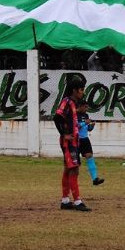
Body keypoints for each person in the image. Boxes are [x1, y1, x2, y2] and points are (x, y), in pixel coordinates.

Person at [53, 77, 90, 212]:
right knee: (74, 169)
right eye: (81, 89)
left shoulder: (73, 103)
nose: (83, 92)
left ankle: (65, 200)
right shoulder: (67, 102)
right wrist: (64, 134)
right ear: (74, 90)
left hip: (74, 141)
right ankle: (78, 201)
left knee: (68, 169)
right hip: (69, 142)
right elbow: (57, 117)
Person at [76, 100, 105, 187]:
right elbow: (74, 126)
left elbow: (87, 128)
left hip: (85, 139)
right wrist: (85, 123)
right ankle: (73, 180)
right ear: (80, 106)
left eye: (87, 107)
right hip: (76, 139)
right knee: (76, 162)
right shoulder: (74, 114)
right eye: (85, 107)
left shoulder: (86, 115)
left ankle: (95, 179)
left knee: (89, 156)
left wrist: (91, 126)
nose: (86, 109)